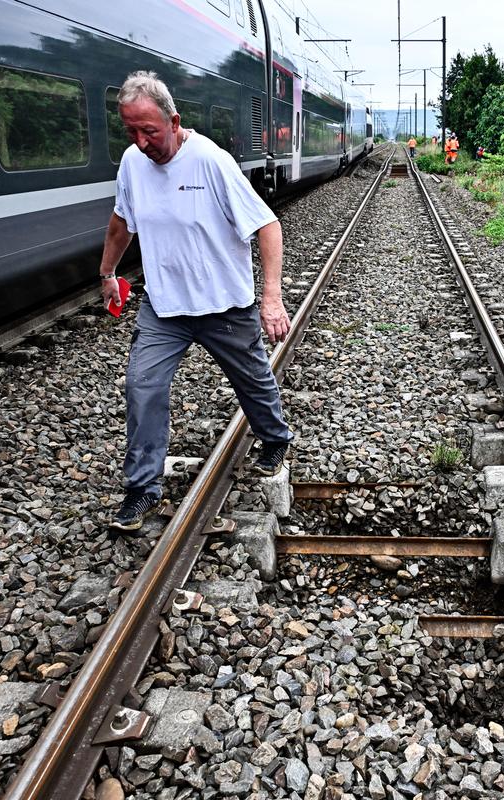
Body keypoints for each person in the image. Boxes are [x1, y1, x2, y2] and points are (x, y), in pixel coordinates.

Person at [99, 71, 294, 531]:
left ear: (174, 120)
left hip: (223, 305)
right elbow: (121, 221)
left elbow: (267, 226)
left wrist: (271, 298)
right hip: (164, 307)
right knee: (142, 387)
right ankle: (141, 490)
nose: (143, 141)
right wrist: (107, 272)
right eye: (132, 131)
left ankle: (274, 438)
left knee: (253, 381)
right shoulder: (131, 162)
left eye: (150, 130)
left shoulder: (210, 160)